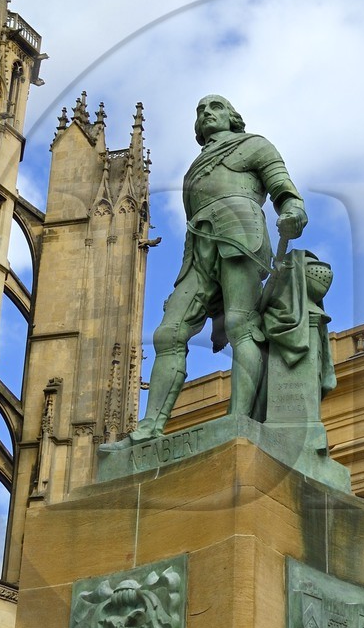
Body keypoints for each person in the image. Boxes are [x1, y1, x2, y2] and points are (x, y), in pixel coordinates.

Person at [106, 94, 307, 447]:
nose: (207, 113)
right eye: (201, 110)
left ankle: (239, 420)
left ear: (233, 117)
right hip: (198, 247)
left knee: (240, 325)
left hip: (241, 233)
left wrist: (292, 210)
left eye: (216, 107)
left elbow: (284, 190)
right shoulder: (196, 167)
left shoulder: (254, 145)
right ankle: (148, 429)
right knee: (168, 333)